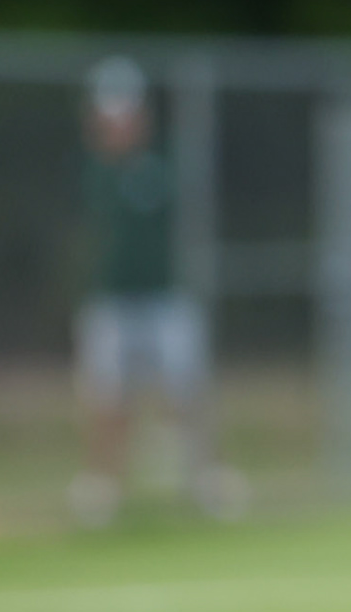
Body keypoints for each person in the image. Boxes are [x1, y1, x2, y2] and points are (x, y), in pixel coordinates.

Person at [70, 56, 241, 526]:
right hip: (112, 299)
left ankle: (209, 481)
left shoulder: (164, 164)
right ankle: (103, 489)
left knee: (188, 390)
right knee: (106, 397)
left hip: (164, 296)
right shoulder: (96, 169)